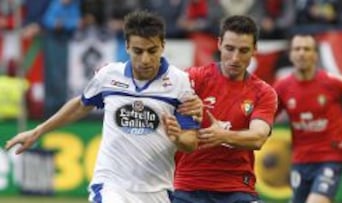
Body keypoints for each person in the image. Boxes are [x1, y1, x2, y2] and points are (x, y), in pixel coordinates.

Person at [5, 10, 200, 203]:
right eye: (138, 51)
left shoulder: (179, 83)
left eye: (152, 50)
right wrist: (38, 131)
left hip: (157, 190)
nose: (145, 59)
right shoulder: (109, 76)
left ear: (163, 46)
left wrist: (178, 137)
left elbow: (191, 143)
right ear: (127, 47)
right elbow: (81, 105)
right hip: (111, 185)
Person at [172, 15, 278, 203]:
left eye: (243, 50)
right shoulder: (192, 79)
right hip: (188, 187)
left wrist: (222, 136)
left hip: (237, 188)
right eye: (230, 48)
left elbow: (258, 137)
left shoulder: (263, 92)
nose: (235, 58)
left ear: (255, 50)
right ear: (219, 44)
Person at [273, 34, 342, 203]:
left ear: (315, 55)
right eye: (297, 49)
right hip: (301, 160)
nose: (302, 53)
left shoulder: (333, 82)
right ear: (290, 54)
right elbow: (266, 117)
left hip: (331, 156)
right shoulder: (282, 87)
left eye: (307, 49)